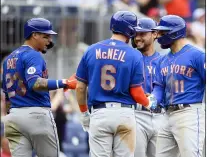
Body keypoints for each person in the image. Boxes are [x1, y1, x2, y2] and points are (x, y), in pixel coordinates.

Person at [75, 11, 157, 157]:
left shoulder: (91, 49)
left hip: (99, 113)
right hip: (125, 114)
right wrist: (149, 103)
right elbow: (137, 92)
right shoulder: (134, 54)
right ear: (129, 29)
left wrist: (83, 113)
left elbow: (80, 87)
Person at [1, 18, 77, 157]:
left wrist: (10, 116)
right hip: (36, 115)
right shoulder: (33, 55)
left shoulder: (8, 59)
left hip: (13, 117)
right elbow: (35, 83)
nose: (49, 41)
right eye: (45, 36)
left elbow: (6, 94)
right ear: (34, 34)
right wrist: (63, 82)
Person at [152, 15, 205, 157]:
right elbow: (159, 87)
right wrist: (153, 99)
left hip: (189, 113)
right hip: (167, 115)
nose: (159, 36)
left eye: (163, 32)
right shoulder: (162, 60)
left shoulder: (197, 55)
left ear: (175, 32)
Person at [131, 17, 165, 157]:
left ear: (155, 34)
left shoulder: (164, 60)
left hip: (160, 115)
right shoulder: (130, 58)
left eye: (142, 34)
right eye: (135, 34)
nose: (137, 38)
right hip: (136, 114)